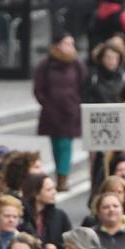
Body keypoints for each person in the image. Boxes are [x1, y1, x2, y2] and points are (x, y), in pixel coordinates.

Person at [34, 33, 87, 191]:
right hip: (52, 111)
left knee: (65, 144)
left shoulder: (76, 64)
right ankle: (59, 172)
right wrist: (46, 102)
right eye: (67, 43)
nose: (70, 47)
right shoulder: (46, 65)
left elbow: (83, 84)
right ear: (57, 45)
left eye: (72, 43)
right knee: (56, 144)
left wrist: (75, 102)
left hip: (70, 111)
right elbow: (38, 88)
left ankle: (63, 177)